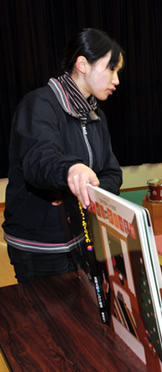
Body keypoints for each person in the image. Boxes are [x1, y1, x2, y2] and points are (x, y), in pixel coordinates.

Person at [2, 28, 124, 283]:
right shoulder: (39, 104)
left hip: (81, 238)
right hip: (39, 244)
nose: (116, 80)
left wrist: (92, 192)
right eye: (111, 69)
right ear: (82, 64)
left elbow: (111, 171)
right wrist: (72, 171)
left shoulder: (96, 115)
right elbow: (39, 159)